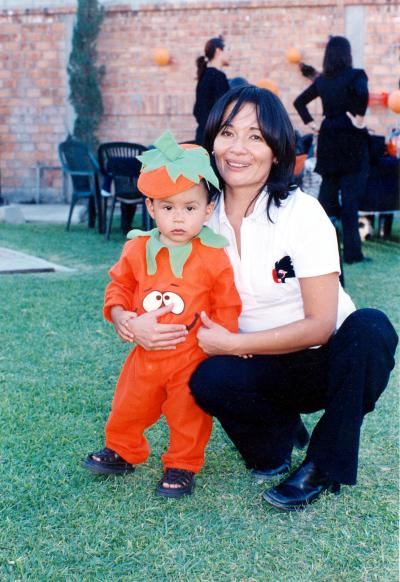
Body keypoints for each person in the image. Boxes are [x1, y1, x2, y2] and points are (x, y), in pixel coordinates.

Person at [183, 85, 397, 511]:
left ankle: (322, 465)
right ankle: (281, 434)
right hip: (261, 366)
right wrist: (129, 319)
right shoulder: (201, 217)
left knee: (371, 329)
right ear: (211, 142)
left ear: (277, 151)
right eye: (227, 133)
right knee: (208, 382)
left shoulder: (301, 213)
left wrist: (234, 344)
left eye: (256, 137)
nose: (238, 148)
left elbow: (320, 323)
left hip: (326, 360)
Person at [83, 130, 242, 498]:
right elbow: (118, 286)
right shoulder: (137, 248)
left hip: (190, 356)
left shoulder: (214, 256)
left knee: (188, 414)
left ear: (208, 209)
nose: (178, 219)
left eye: (189, 208)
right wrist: (122, 316)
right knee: (128, 405)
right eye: (167, 208)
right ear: (151, 207)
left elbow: (227, 304)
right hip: (145, 353)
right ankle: (122, 450)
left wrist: (225, 340)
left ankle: (182, 465)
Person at [293, 36, 370, 264]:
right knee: (350, 199)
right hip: (349, 136)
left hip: (328, 136)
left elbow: (299, 102)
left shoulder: (322, 81)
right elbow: (363, 95)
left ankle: (322, 250)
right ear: (347, 53)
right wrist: (359, 118)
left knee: (326, 198)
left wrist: (312, 124)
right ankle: (353, 254)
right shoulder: (356, 75)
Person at [193, 36, 230, 146]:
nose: (230, 54)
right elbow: (225, 110)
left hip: (203, 136)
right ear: (218, 51)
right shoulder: (218, 76)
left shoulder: (205, 75)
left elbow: (197, 110)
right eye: (227, 50)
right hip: (213, 139)